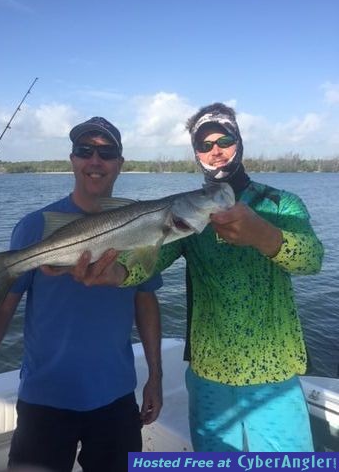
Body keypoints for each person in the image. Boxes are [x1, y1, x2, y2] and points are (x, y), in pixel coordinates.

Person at [116, 103, 324, 451]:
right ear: (196, 152)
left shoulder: (280, 203)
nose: (215, 150)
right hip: (208, 372)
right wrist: (112, 270)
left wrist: (263, 234)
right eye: (204, 144)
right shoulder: (187, 212)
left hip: (275, 372)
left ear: (239, 141)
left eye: (224, 139)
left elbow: (312, 259)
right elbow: (145, 263)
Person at [0, 117, 163, 472]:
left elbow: (145, 301)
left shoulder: (147, 226)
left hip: (116, 397)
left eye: (107, 152)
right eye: (84, 151)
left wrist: (156, 377)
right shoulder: (36, 225)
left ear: (120, 162)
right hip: (45, 398)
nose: (95, 161)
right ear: (72, 160)